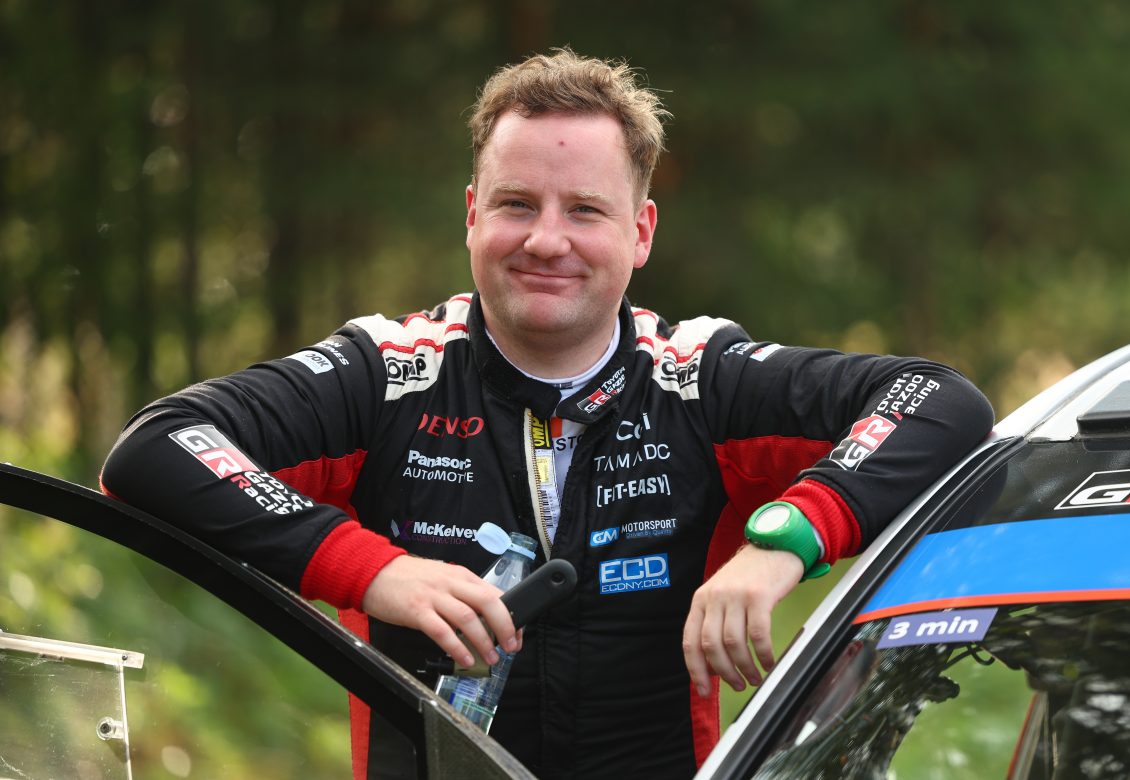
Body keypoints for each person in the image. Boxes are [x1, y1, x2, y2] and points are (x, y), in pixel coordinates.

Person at [101, 48, 994, 779]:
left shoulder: (699, 378)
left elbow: (939, 400)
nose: (546, 240)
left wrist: (782, 543)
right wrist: (373, 571)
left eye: (585, 211)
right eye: (517, 204)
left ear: (641, 232)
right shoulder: (389, 372)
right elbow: (153, 448)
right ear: (471, 215)